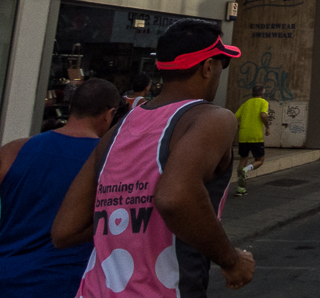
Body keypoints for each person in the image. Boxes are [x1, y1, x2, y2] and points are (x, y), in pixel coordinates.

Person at [52, 19, 255, 294]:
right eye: (221, 64)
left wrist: (126, 214)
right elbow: (174, 197)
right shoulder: (212, 119)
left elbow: (65, 230)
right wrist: (231, 260)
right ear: (208, 67)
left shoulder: (118, 129)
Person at [0, 78, 120, 298]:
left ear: (72, 107)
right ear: (108, 114)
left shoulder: (13, 150)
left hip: (7, 277)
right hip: (66, 284)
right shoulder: (112, 163)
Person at [234, 84, 270, 196]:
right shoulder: (263, 102)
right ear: (262, 93)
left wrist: (239, 127)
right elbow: (263, 115)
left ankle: (241, 189)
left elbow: (235, 116)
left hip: (243, 135)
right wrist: (267, 127)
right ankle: (246, 170)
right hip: (256, 136)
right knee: (260, 160)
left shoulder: (246, 104)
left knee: (243, 159)